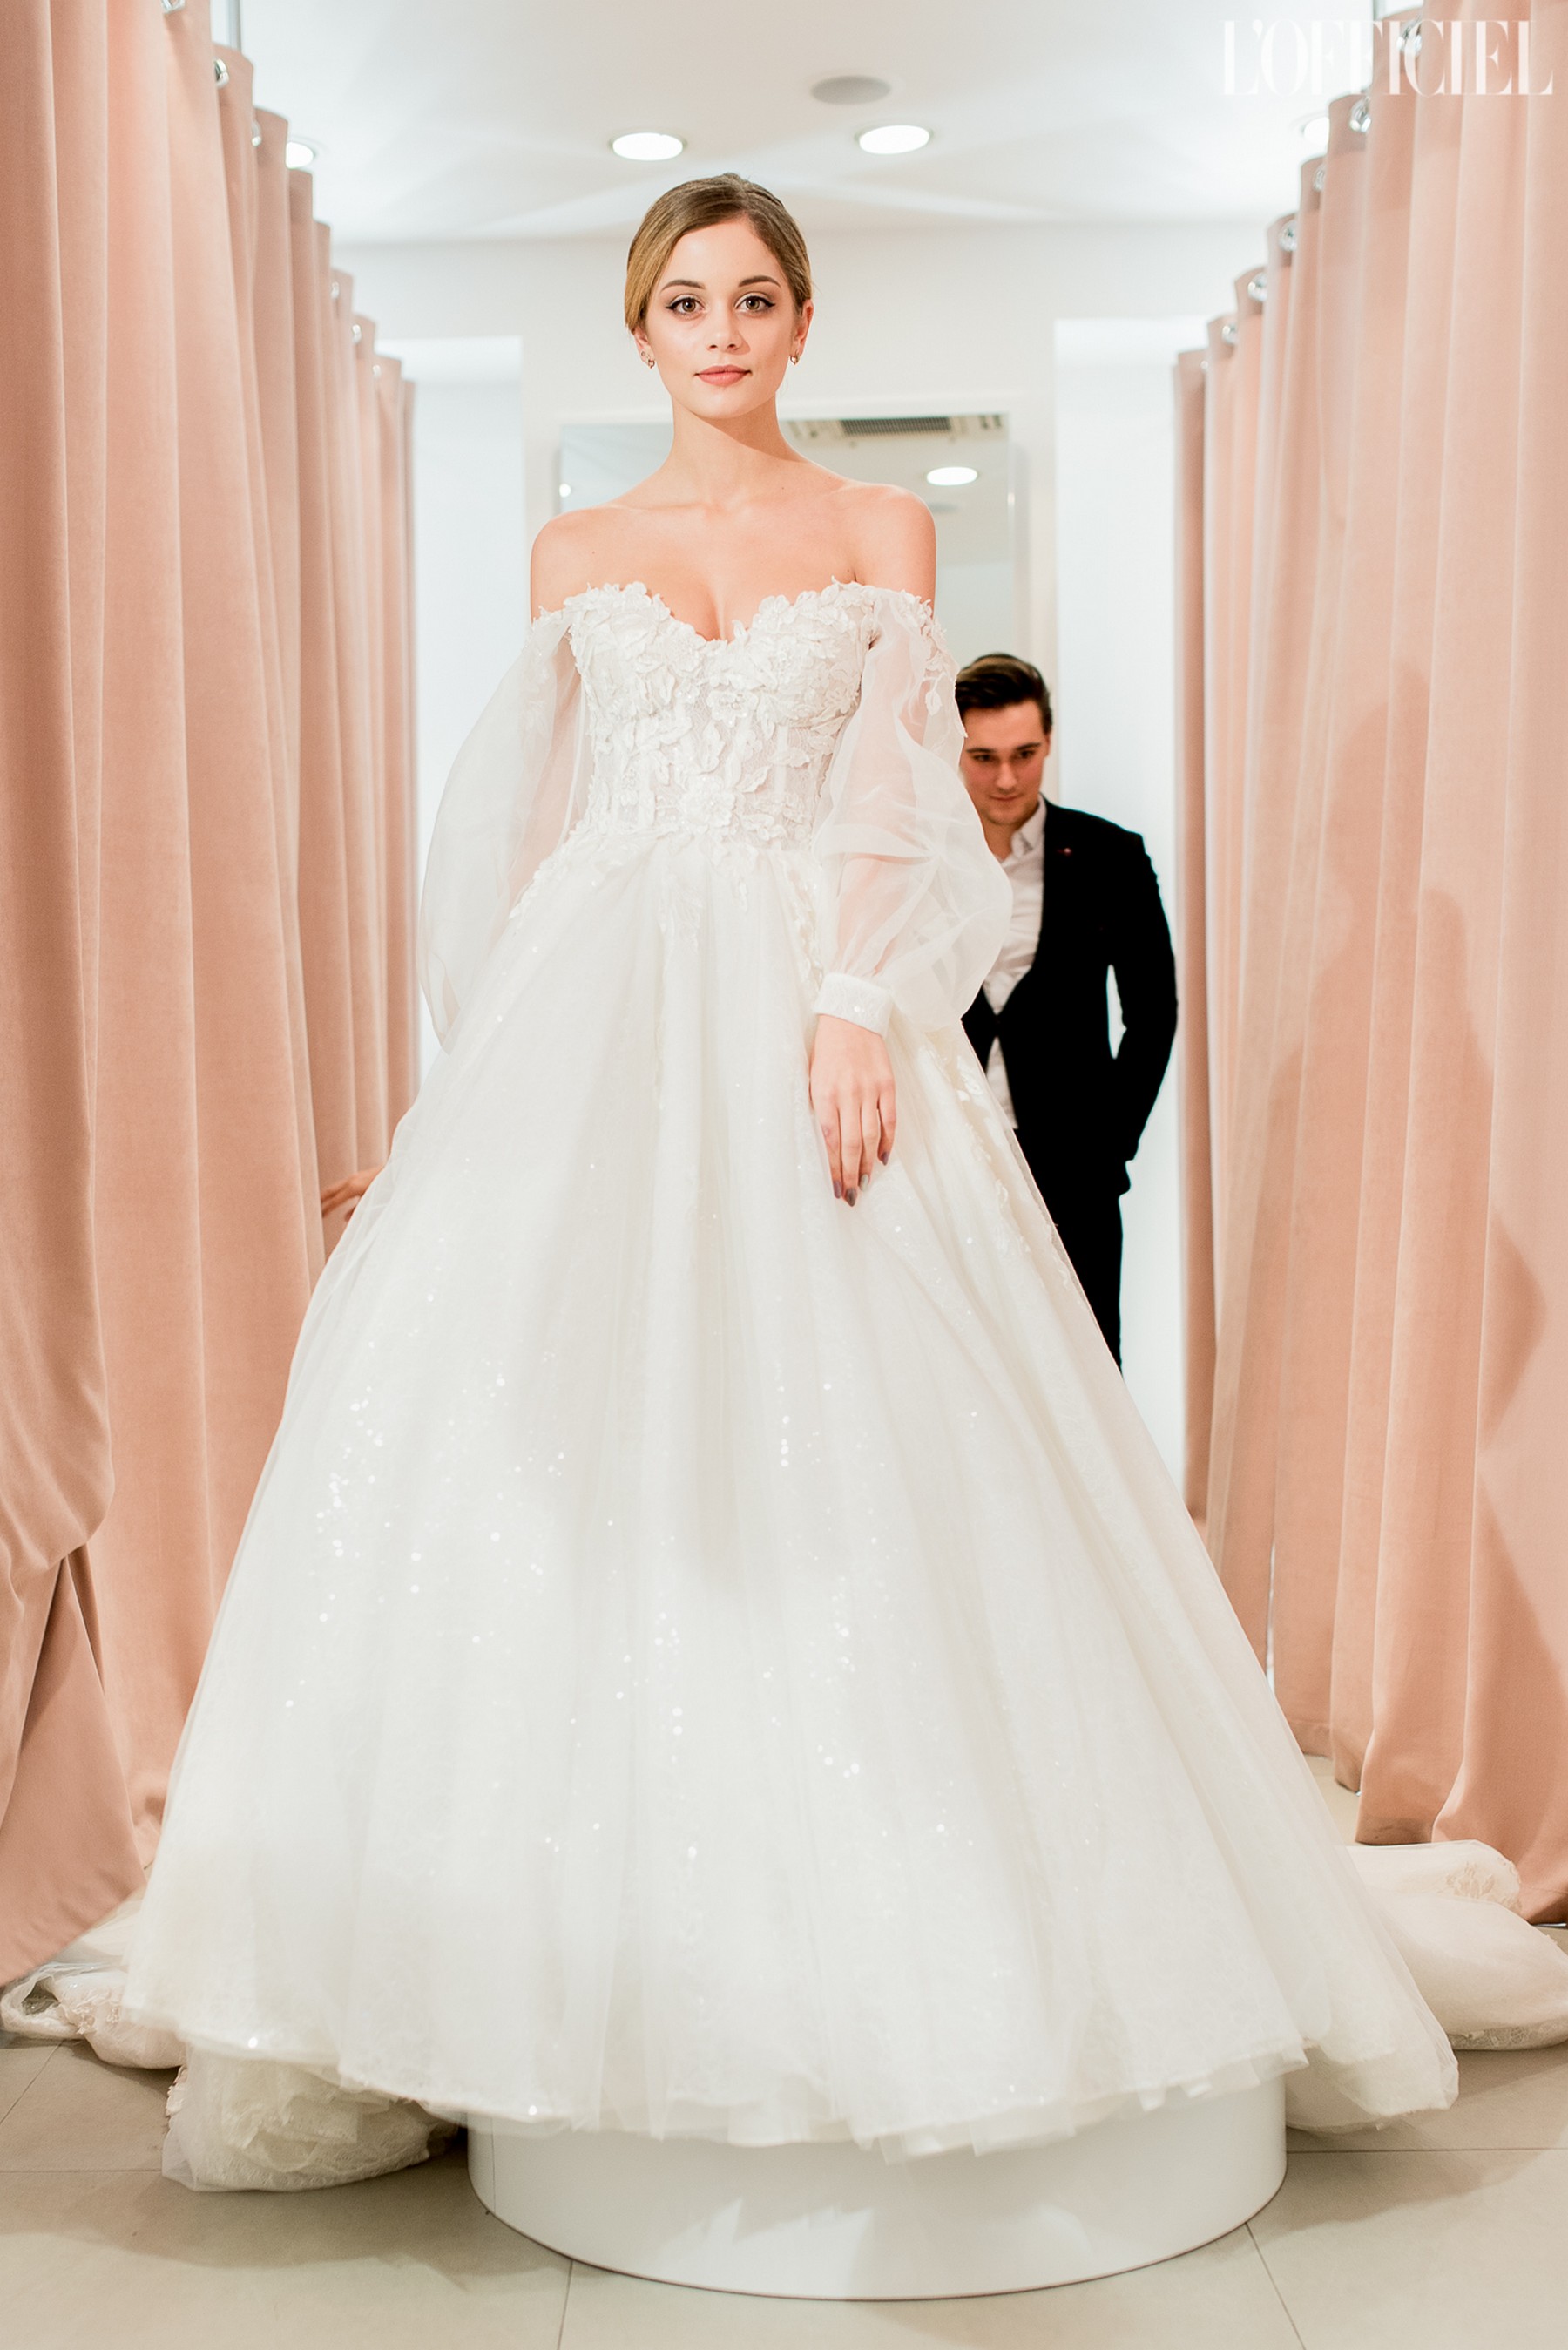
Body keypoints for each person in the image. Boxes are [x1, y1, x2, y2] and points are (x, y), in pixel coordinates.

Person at [124, 174, 1454, 2187]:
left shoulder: (875, 525)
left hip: (810, 981)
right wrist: (475, 1091)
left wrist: (853, 1001)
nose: (722, 331)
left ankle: (936, 1936)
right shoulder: (577, 547)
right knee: (549, 1435)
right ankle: (521, 1954)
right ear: (640, 328)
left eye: (754, 298)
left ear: (803, 322)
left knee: (872, 1412)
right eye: (686, 301)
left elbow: (900, 794)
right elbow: (524, 826)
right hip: (605, 980)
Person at [956, 654, 1176, 1363]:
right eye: (983, 758)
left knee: (1087, 1364)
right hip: (952, 1154)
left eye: (1024, 754)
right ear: (954, 751)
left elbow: (1154, 1012)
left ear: (1048, 740)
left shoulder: (1112, 856)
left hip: (1075, 1164)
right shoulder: (921, 861)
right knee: (970, 1365)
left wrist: (1112, 1142)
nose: (1006, 778)